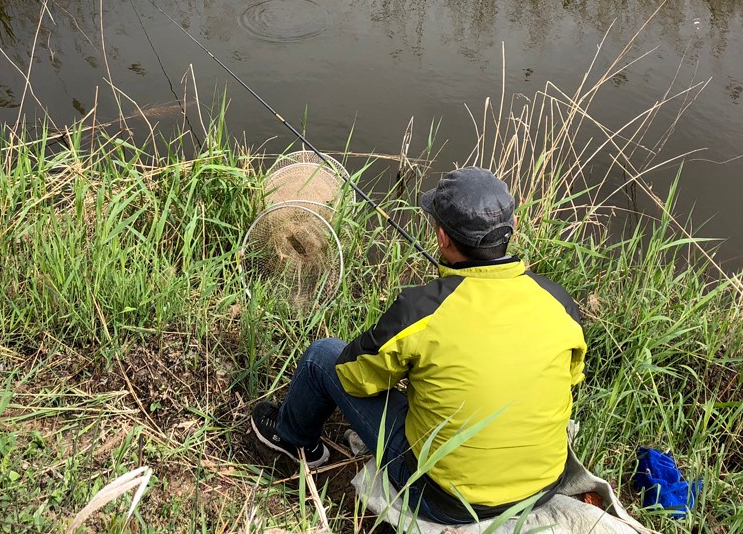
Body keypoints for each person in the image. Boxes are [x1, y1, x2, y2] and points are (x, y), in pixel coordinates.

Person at [250, 166, 587, 525]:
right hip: (542, 488)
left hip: (443, 500)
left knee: (322, 356)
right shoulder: (560, 301)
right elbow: (571, 378)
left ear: (442, 237)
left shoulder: (422, 309)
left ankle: (292, 441)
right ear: (513, 225)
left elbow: (352, 375)